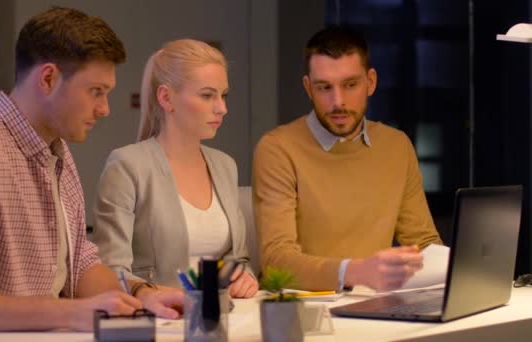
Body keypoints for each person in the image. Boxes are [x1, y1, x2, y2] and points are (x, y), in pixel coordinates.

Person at [0, 7, 182, 332]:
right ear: (48, 78)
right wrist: (69, 313)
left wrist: (140, 295)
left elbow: (81, 264)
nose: (104, 109)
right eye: (96, 92)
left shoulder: (57, 151)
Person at [252, 25, 442, 292]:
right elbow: (276, 262)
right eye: (324, 87)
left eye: (350, 84)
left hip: (377, 306)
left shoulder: (396, 145)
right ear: (308, 87)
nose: (337, 101)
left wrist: (461, 272)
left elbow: (423, 244)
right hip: (304, 310)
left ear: (371, 82)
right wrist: (354, 273)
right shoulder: (277, 148)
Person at [92, 39, 259, 298]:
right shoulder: (127, 166)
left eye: (223, 95)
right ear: (166, 98)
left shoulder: (225, 165)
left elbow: (238, 259)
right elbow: (110, 270)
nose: (222, 108)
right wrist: (157, 295)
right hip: (159, 319)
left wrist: (244, 276)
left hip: (225, 315)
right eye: (207, 95)